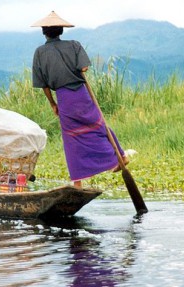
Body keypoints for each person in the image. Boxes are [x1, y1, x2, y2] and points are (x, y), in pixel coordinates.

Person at [31, 11, 129, 189]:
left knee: (72, 139)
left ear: (44, 32)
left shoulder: (40, 53)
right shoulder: (74, 45)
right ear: (61, 30)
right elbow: (84, 67)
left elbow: (43, 84)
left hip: (64, 99)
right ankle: (121, 156)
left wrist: (53, 103)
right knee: (99, 125)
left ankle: (77, 182)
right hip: (81, 94)